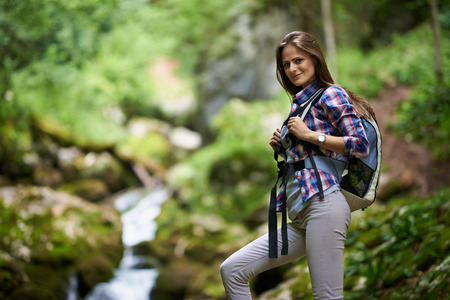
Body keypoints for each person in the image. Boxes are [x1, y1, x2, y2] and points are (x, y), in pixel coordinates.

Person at [220, 31, 374, 299]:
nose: (292, 69)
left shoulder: (330, 95)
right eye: (286, 64)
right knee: (232, 270)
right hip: (301, 214)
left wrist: (309, 136)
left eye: (298, 60)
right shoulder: (300, 104)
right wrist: (284, 146)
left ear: (315, 59)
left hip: (324, 206)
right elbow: (309, 156)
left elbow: (361, 144)